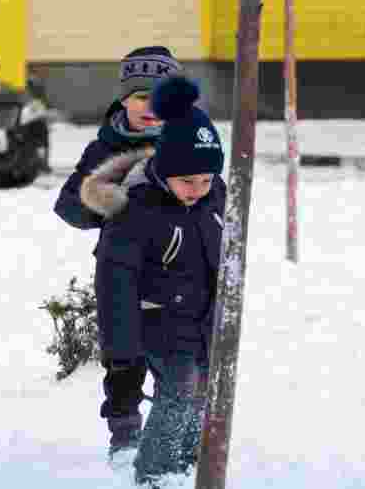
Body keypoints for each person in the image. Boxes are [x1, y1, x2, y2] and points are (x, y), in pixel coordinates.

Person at [81, 75, 226, 487]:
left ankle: (184, 467)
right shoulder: (137, 211)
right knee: (179, 391)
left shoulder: (213, 201)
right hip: (157, 324)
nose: (197, 190)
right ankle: (156, 475)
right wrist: (122, 353)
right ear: (164, 170)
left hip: (201, 322)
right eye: (187, 182)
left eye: (205, 180)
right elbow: (114, 285)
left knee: (199, 395)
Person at [54, 46, 182, 460]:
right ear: (124, 98)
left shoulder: (188, 145)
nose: (150, 107)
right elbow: (70, 205)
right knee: (123, 359)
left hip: (178, 271)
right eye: (141, 96)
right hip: (120, 271)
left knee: (178, 361)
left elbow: (213, 201)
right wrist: (107, 196)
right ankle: (124, 440)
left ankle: (172, 446)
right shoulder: (104, 148)